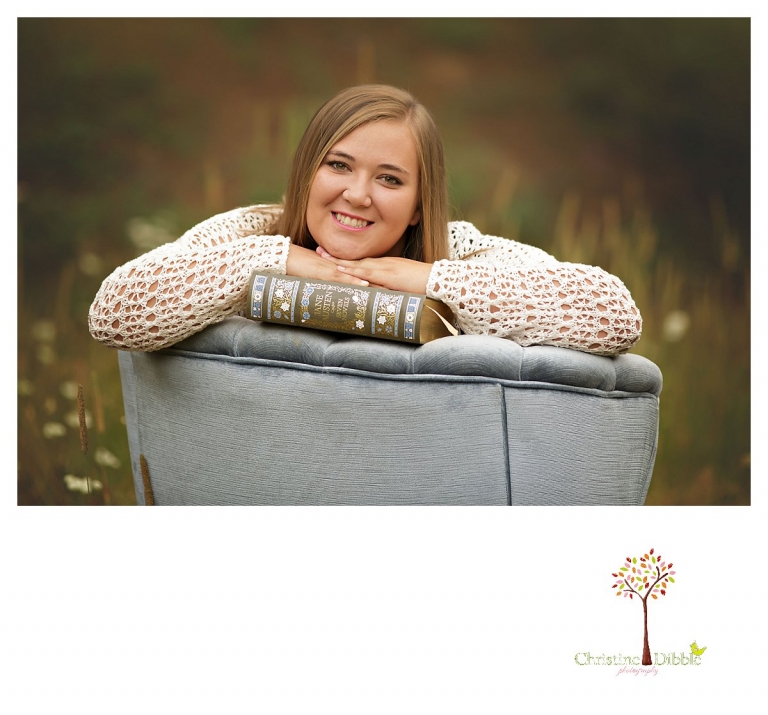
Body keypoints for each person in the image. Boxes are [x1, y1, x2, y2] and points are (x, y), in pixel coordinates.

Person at [88, 84, 642, 355]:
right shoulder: (249, 232)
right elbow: (112, 314)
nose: (357, 195)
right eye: (338, 165)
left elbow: (615, 315)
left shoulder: (460, 250)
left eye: (390, 179)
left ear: (422, 203)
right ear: (307, 171)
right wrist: (277, 258)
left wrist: (432, 280)